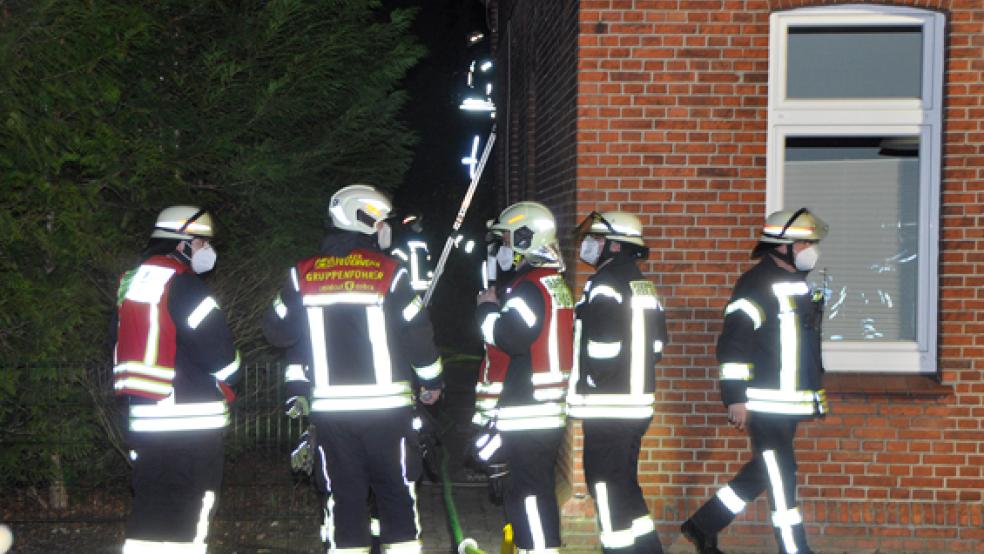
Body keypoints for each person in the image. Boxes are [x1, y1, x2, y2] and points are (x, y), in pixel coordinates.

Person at [262, 184, 443, 554]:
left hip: (332, 416)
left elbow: (276, 332)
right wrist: (432, 380)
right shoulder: (391, 273)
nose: (385, 229)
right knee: (396, 496)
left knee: (343, 502)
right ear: (364, 220)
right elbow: (417, 334)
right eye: (382, 222)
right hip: (387, 415)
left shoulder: (303, 275)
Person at [680, 208, 829, 554]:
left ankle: (703, 524)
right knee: (782, 477)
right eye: (804, 242)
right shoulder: (755, 286)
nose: (810, 248)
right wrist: (735, 397)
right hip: (764, 403)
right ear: (781, 247)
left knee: (766, 469)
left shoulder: (796, 285)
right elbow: (733, 345)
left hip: (787, 404)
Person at [113, 206, 241, 553]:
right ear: (182, 242)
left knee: (149, 515)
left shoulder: (130, 281)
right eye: (201, 242)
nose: (206, 250)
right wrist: (233, 378)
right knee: (191, 517)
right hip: (191, 423)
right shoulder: (185, 285)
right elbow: (220, 354)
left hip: (144, 420)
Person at [475, 201, 574, 554]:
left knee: (528, 492)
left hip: (528, 409)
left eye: (505, 240)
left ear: (524, 237)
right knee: (536, 488)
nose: (503, 249)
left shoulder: (530, 288)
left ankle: (538, 549)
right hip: (545, 407)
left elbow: (510, 338)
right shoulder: (553, 284)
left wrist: (486, 309)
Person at [567, 211, 668, 553]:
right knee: (624, 485)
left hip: (608, 407)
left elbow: (603, 348)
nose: (589, 245)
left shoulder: (604, 284)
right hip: (637, 406)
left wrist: (592, 381)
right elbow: (657, 346)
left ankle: (618, 549)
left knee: (606, 487)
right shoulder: (643, 284)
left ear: (613, 245)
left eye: (595, 239)